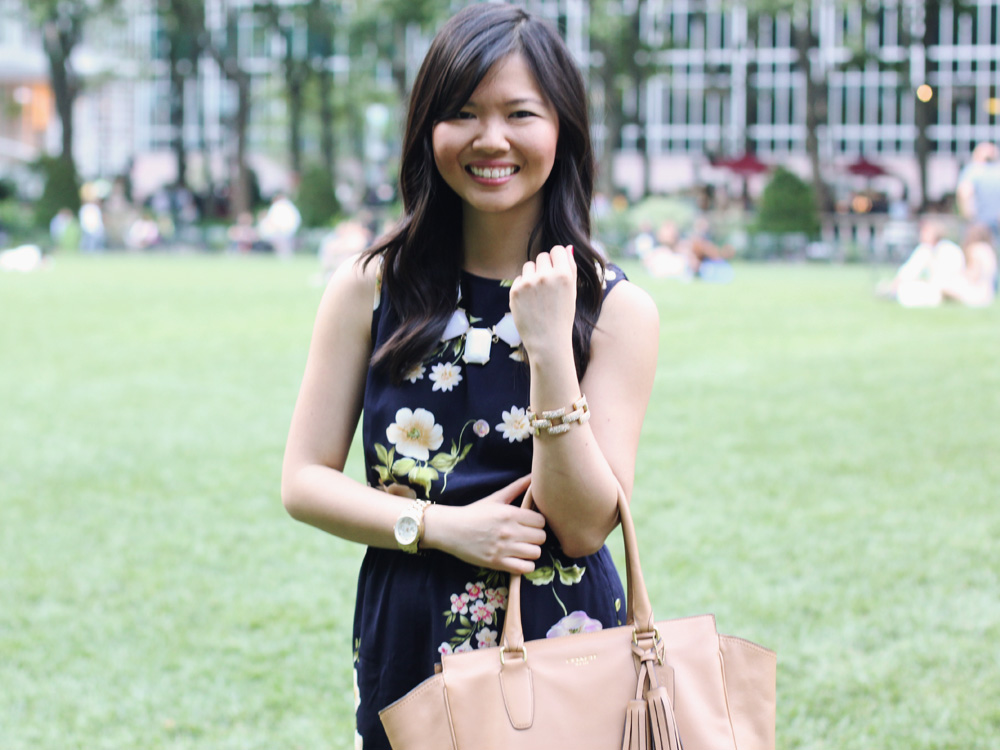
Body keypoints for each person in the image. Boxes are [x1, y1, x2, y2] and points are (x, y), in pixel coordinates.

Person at [280, 5, 659, 749]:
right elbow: (303, 481)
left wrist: (551, 351)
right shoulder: (370, 289)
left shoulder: (617, 309)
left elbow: (583, 525)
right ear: (429, 130)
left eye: (520, 112)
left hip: (564, 636)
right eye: (462, 113)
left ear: (563, 131)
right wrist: (446, 528)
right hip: (410, 633)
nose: (491, 140)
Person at [876, 218, 965, 307]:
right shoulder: (925, 249)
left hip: (950, 289)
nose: (921, 234)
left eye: (925, 231)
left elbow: (946, 278)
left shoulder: (948, 250)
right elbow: (909, 272)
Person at [941, 223, 998, 307]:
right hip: (988, 294)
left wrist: (961, 273)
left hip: (977, 295)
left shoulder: (975, 249)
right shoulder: (989, 250)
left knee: (944, 286)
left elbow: (973, 276)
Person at [956, 142, 1000, 241]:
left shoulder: (973, 170)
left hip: (978, 224)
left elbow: (964, 193)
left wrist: (969, 218)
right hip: (996, 223)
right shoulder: (998, 172)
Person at [259, 192, 301, 258]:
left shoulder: (279, 206)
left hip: (281, 230)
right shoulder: (288, 206)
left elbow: (273, 220)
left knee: (280, 242)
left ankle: (284, 254)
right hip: (285, 230)